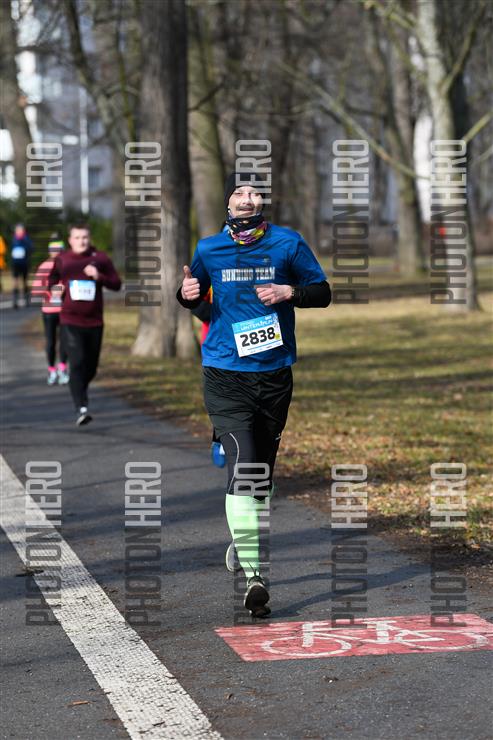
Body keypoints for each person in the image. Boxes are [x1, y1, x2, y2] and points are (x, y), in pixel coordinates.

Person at [177, 172, 331, 617]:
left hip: (274, 374)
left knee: (261, 480)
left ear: (262, 200)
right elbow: (197, 301)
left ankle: (242, 536)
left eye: (254, 192)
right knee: (245, 470)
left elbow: (322, 293)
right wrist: (186, 295)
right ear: (228, 203)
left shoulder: (287, 243)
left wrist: (289, 291)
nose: (247, 198)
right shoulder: (209, 248)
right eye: (239, 192)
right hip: (225, 372)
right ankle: (254, 574)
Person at [48, 223, 122, 426]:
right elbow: (52, 280)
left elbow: (117, 284)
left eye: (85, 237)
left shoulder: (100, 258)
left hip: (95, 321)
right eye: (77, 237)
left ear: (90, 239)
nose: (81, 241)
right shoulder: (63, 259)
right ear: (70, 240)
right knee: (78, 361)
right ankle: (81, 407)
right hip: (70, 320)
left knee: (91, 368)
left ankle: (79, 388)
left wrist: (99, 276)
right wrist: (56, 289)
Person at [31, 234, 69, 385]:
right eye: (54, 250)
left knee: (65, 340)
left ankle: (63, 368)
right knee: (51, 341)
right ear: (49, 251)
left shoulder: (67, 266)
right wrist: (49, 292)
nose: (57, 252)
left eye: (59, 249)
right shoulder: (44, 267)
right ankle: (51, 369)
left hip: (65, 310)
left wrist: (64, 291)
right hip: (49, 311)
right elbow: (35, 290)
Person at [10, 224, 33, 308]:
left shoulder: (26, 239)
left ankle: (26, 300)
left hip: (24, 263)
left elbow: (31, 248)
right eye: (17, 230)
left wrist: (26, 251)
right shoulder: (14, 239)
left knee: (25, 281)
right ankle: (15, 301)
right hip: (15, 263)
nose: (19, 232)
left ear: (23, 231)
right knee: (15, 282)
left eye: (20, 230)